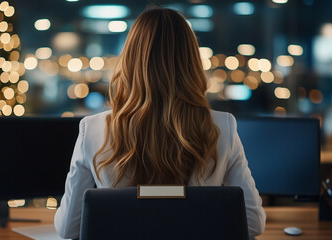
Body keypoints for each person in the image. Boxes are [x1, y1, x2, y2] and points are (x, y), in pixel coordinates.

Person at [55, 8, 266, 239]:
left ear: (129, 61)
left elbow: (68, 228)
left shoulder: (92, 129)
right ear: (191, 62)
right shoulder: (223, 126)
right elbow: (253, 224)